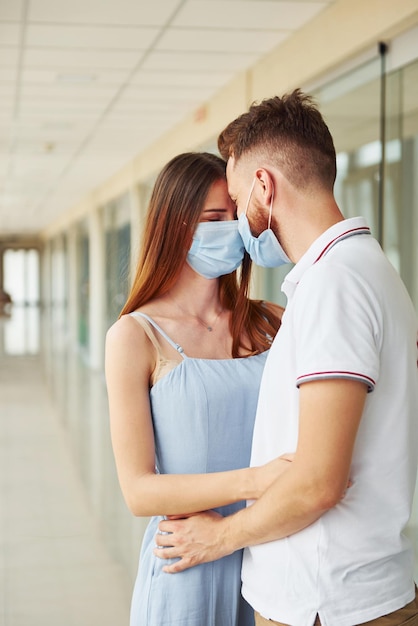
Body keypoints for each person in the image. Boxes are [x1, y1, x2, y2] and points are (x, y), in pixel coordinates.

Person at [154, 92, 418, 626]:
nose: (240, 226)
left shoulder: (333, 285)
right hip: (350, 593)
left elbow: (319, 481)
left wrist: (217, 538)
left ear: (263, 187)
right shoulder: (366, 270)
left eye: (235, 198)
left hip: (328, 604)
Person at [105, 151, 286, 626]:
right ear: (173, 224)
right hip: (190, 567)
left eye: (235, 217)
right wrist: (257, 480)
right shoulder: (134, 336)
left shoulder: (272, 320)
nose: (229, 230)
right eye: (213, 219)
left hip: (276, 557)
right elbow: (139, 491)